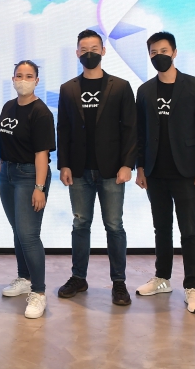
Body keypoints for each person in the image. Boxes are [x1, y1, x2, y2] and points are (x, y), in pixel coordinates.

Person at [56, 29, 136, 306]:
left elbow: (130, 128)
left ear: (103, 51)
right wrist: (63, 164)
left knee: (114, 226)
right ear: (77, 53)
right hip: (78, 171)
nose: (89, 53)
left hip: (112, 170)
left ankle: (119, 282)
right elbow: (63, 129)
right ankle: (78, 277)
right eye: (84, 49)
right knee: (80, 224)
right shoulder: (68, 88)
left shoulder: (121, 86)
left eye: (94, 48)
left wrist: (128, 164)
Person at [134, 31, 195, 314]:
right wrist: (140, 167)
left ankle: (192, 287)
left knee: (189, 230)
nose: (159, 56)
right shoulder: (144, 91)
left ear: (175, 52)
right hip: (155, 171)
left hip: (187, 171)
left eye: (164, 51)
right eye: (153, 52)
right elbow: (140, 133)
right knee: (162, 228)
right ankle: (162, 278)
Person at [0, 60, 55, 319]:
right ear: (13, 79)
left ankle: (39, 292)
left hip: (30, 176)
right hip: (8, 174)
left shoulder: (41, 112)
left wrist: (39, 187)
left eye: (29, 76)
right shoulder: (8, 107)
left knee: (29, 234)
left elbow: (42, 154)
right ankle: (24, 278)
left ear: (37, 81)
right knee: (18, 230)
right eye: (19, 75)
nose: (23, 80)